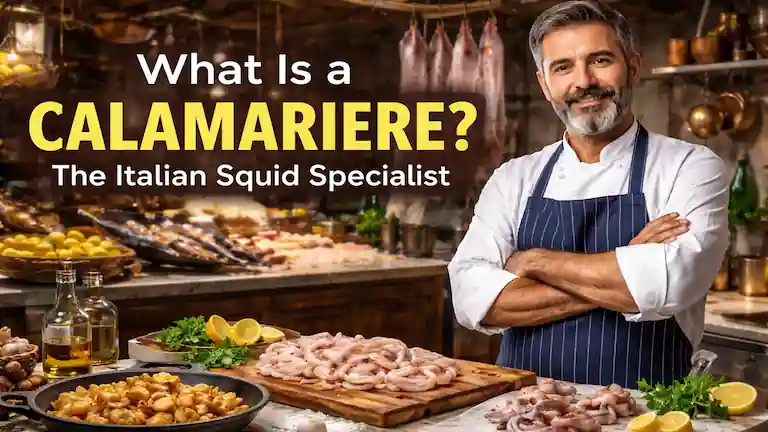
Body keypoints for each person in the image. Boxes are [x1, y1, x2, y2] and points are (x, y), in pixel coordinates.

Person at [447, 0, 729, 389]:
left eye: (599, 60)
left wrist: (534, 261)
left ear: (632, 67)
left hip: (646, 416)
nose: (584, 82)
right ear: (546, 86)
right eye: (563, 67)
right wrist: (628, 265)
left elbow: (669, 284)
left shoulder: (690, 166)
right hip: (521, 411)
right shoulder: (513, 178)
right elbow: (470, 301)